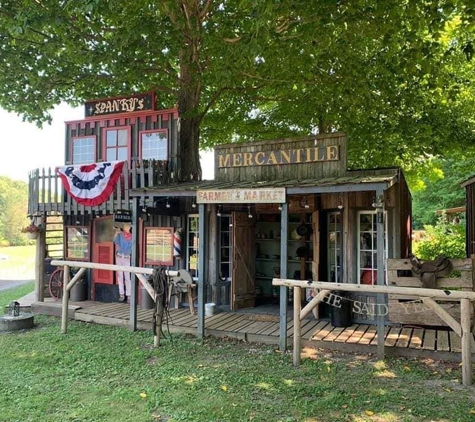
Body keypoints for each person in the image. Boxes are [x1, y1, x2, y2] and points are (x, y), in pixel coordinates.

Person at [114, 223, 132, 302]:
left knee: (127, 277)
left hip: (127, 257)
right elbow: (114, 241)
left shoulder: (133, 236)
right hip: (119, 256)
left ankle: (129, 295)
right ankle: (121, 294)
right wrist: (116, 233)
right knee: (120, 276)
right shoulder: (121, 235)